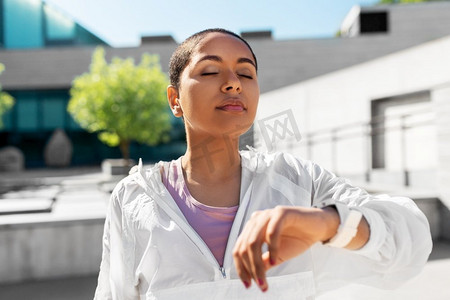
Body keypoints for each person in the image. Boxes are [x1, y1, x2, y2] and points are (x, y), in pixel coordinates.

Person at [94, 28, 432, 299]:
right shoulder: (133, 200)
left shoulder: (300, 181)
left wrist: (327, 223)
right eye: (210, 70)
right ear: (174, 100)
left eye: (246, 73)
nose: (233, 83)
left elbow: (412, 241)